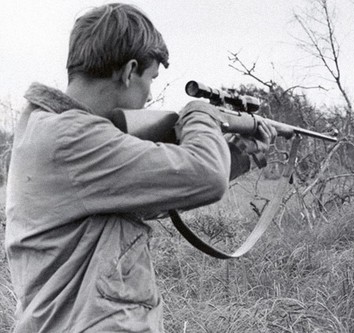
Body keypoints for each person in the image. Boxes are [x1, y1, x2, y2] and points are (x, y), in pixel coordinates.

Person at [4, 3, 276, 332]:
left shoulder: (48, 127)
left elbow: (157, 189)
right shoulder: (73, 137)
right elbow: (207, 176)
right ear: (130, 70)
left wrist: (238, 155)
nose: (148, 95)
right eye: (151, 78)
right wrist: (202, 114)